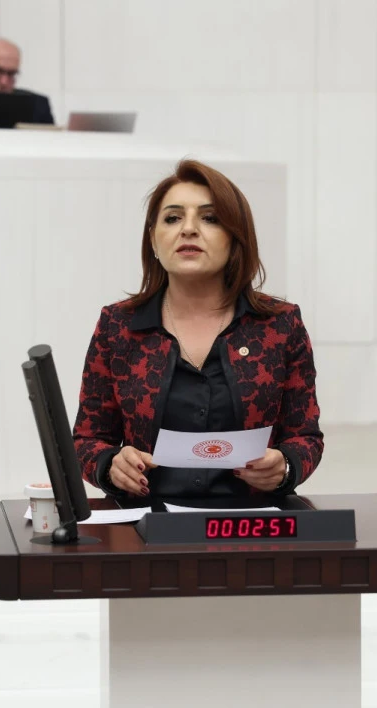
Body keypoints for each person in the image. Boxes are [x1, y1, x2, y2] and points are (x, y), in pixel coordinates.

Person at [72, 160, 323, 501]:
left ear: (235, 238)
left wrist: (286, 466)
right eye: (173, 218)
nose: (188, 229)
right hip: (146, 523)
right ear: (153, 240)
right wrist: (110, 465)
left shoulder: (280, 325)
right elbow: (87, 440)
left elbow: (306, 437)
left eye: (210, 218)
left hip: (250, 522)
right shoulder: (117, 326)